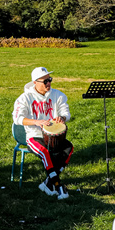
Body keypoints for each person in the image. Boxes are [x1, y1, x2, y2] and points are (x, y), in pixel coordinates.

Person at [13, 67, 73, 199]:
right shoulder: (25, 98)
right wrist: (37, 122)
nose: (48, 83)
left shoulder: (58, 95)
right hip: (34, 136)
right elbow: (17, 118)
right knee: (45, 152)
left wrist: (61, 118)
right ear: (35, 82)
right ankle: (58, 185)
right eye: (45, 81)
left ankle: (48, 182)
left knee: (69, 148)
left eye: (49, 80)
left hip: (53, 136)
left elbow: (66, 113)